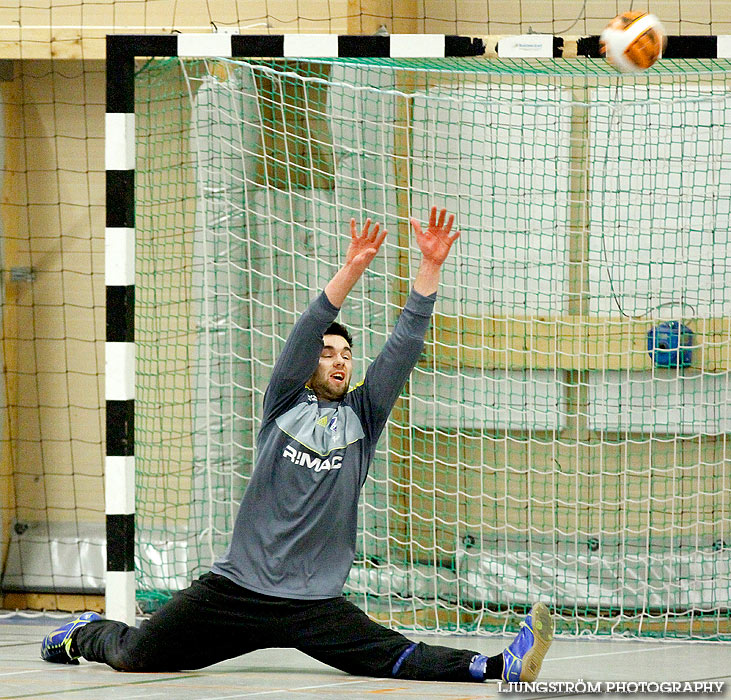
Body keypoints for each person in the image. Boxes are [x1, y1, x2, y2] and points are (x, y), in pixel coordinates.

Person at [41, 207, 553, 683]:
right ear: (310, 364)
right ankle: (82, 632)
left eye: (347, 354)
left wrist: (430, 267)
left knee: (395, 658)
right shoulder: (284, 403)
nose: (338, 360)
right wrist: (353, 269)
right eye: (328, 352)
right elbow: (308, 328)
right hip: (237, 591)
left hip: (315, 604)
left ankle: (499, 664)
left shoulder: (362, 415)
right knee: (134, 655)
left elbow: (404, 345)